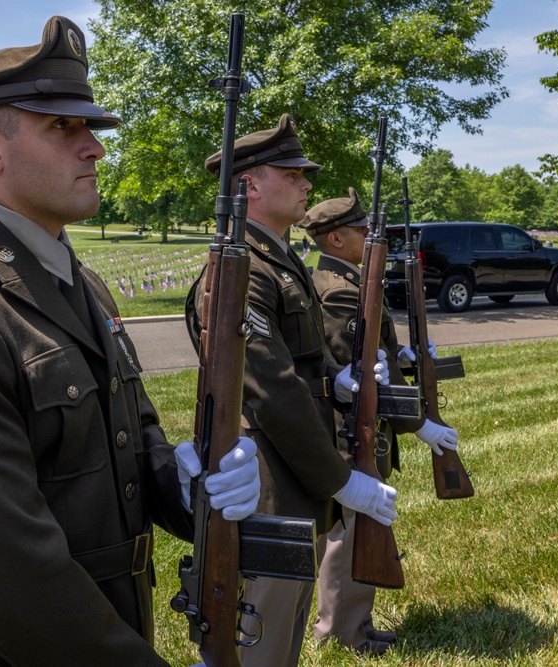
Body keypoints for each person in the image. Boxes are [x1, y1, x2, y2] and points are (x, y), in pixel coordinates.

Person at [0, 16, 260, 667]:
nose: (95, 147)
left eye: (87, 126)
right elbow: (4, 570)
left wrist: (186, 481)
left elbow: (131, 435)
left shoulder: (85, 287)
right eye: (64, 127)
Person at [185, 115, 397, 666]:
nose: (307, 183)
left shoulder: (278, 261)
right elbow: (272, 390)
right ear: (249, 185)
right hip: (267, 480)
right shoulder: (243, 270)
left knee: (285, 637)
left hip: (293, 476)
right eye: (294, 173)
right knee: (261, 639)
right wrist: (340, 479)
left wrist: (342, 378)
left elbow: (305, 361)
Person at [302, 189, 459, 654]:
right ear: (335, 239)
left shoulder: (349, 283)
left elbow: (379, 357)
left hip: (361, 428)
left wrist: (405, 358)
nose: (375, 238)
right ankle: (340, 631)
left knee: (359, 527)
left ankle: (357, 624)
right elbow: (359, 377)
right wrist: (419, 425)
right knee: (349, 533)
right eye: (360, 231)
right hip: (350, 430)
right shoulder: (339, 293)